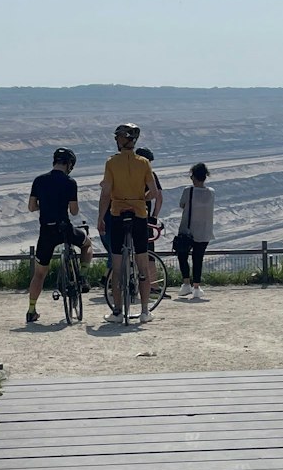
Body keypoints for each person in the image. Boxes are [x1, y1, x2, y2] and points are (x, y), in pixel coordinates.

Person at [98, 123, 162, 323]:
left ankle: (117, 311)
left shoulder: (111, 163)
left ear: (122, 139)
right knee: (142, 265)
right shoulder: (144, 163)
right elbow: (154, 192)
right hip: (139, 216)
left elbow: (106, 192)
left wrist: (100, 217)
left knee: (117, 267)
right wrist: (139, 198)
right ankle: (144, 311)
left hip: (117, 214)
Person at [25, 147, 92, 323]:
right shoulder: (70, 182)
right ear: (69, 164)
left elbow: (31, 207)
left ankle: (31, 310)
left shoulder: (39, 180)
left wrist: (45, 207)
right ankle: (83, 277)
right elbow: (74, 211)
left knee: (39, 274)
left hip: (46, 231)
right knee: (87, 244)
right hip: (65, 230)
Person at [173, 163, 214, 298]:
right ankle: (197, 287)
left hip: (187, 230)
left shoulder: (188, 191)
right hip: (205, 231)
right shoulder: (211, 192)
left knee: (182, 256)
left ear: (193, 177)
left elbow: (182, 205)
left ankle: (186, 283)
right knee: (198, 258)